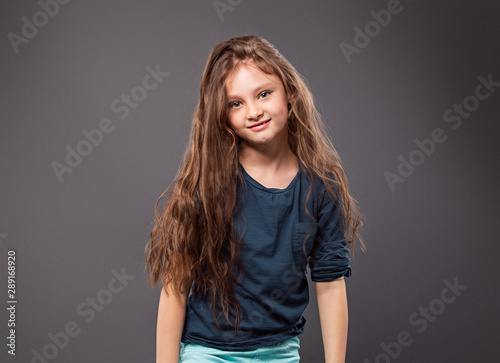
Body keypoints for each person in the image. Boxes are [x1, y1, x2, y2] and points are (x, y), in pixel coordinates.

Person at [145, 35, 365, 363]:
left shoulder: (321, 188)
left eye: (264, 94)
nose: (254, 111)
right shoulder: (207, 186)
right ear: (222, 116)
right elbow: (175, 287)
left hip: (281, 352)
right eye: (236, 103)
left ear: (289, 91)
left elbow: (330, 284)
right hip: (209, 353)